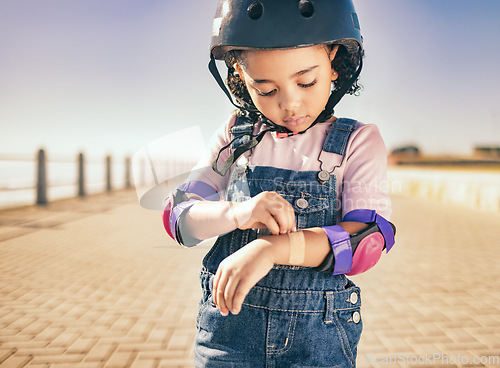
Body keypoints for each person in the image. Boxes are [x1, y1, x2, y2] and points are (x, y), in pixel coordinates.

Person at [162, 0, 396, 366]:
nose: (290, 104)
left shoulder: (357, 141)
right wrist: (236, 214)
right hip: (226, 338)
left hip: (318, 340)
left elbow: (367, 241)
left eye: (306, 81)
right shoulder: (234, 136)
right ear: (239, 74)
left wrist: (271, 249)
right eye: (266, 89)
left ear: (334, 61)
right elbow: (178, 217)